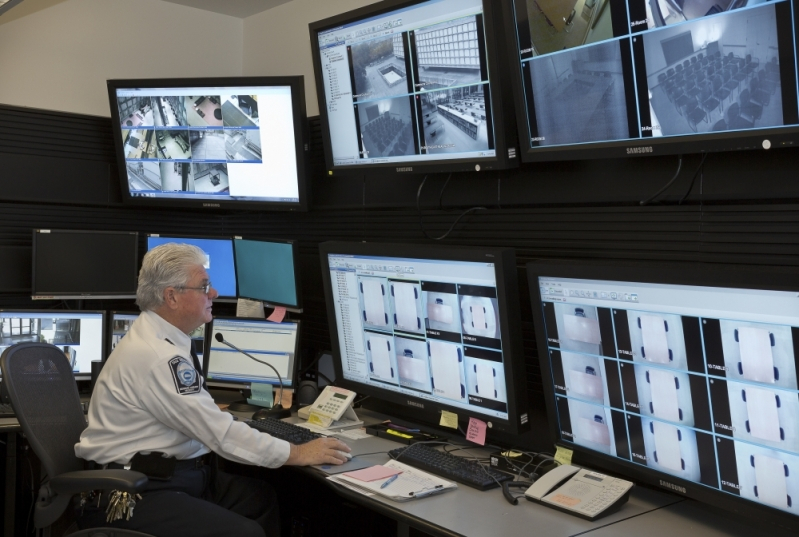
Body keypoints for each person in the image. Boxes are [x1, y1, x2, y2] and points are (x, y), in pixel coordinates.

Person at [75, 243, 350, 537]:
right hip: (133, 490)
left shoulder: (161, 338)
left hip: (170, 474)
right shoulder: (158, 357)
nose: (214, 294)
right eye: (204, 286)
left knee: (260, 499)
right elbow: (220, 434)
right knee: (245, 532)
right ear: (172, 297)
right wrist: (297, 452)